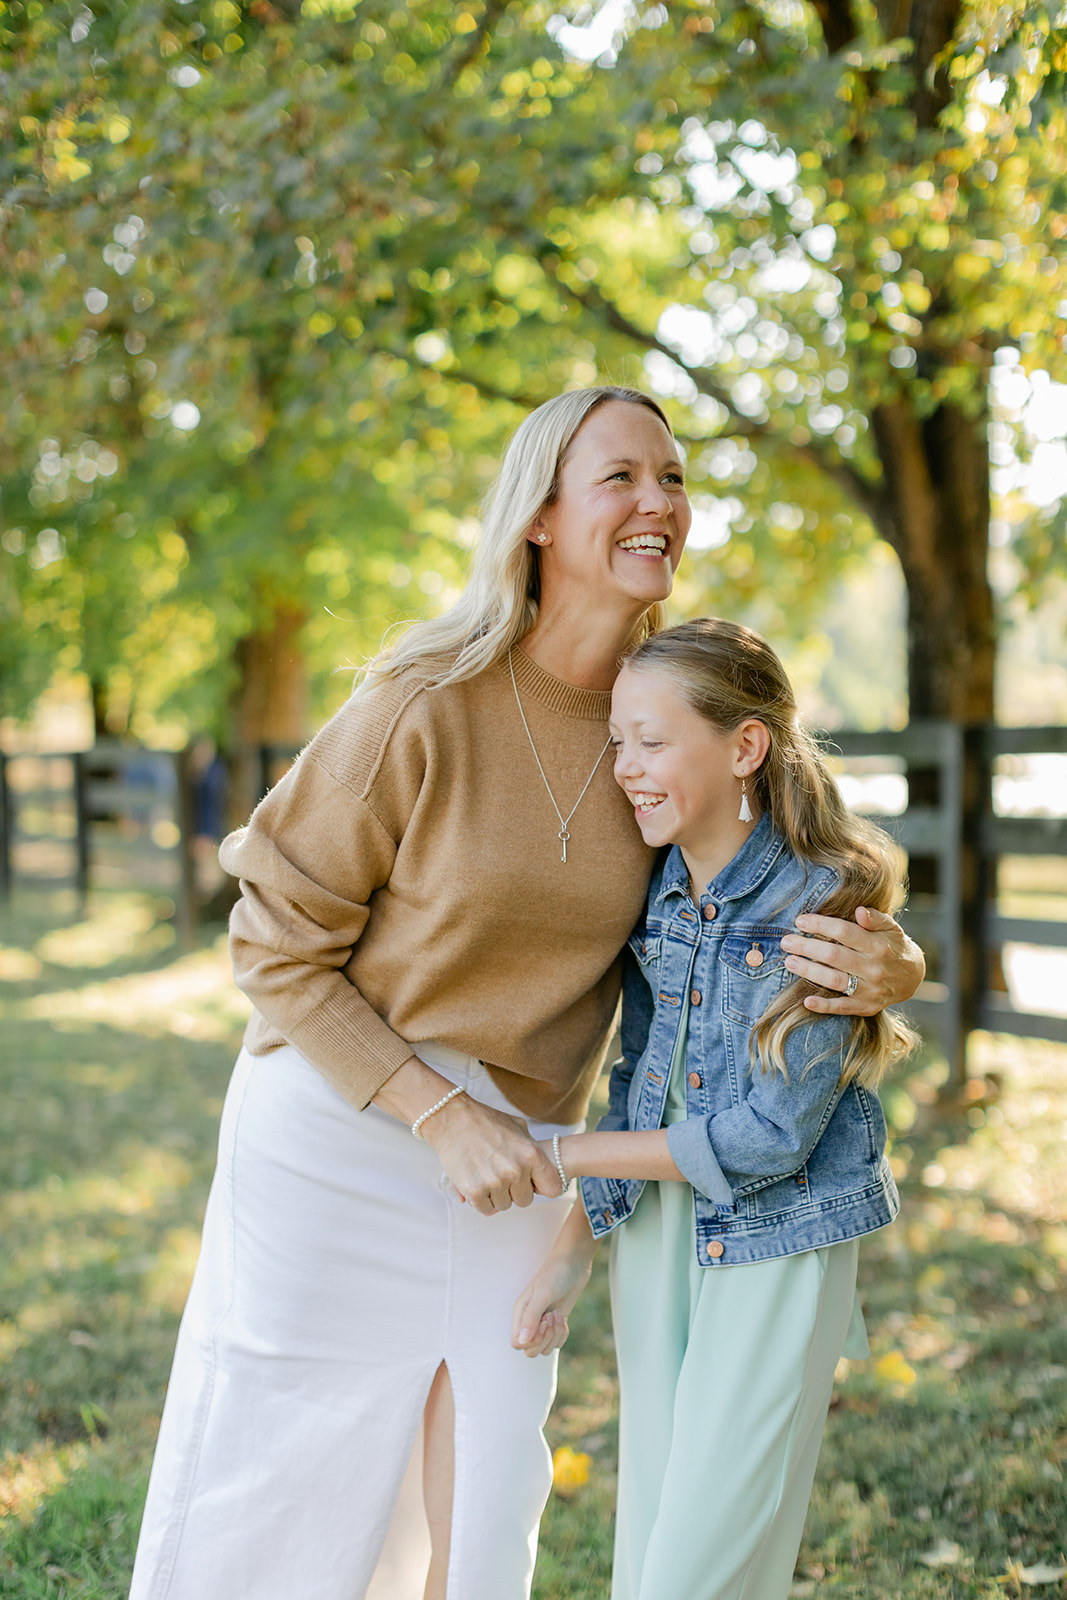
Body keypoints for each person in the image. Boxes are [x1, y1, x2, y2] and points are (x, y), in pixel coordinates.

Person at [128, 389, 924, 1600]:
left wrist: (895, 966)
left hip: (525, 1158)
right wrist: (434, 1113)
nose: (658, 500)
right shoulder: (422, 701)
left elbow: (786, 878)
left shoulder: (667, 720)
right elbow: (271, 937)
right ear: (540, 516)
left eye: (671, 475)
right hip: (345, 1136)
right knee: (281, 1499)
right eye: (620, 477)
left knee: (486, 1511)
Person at [512, 616, 919, 1600]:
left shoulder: (821, 911)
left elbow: (769, 1139)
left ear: (743, 747)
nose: (624, 768)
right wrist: (576, 1239)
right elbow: (638, 1070)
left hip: (774, 1244)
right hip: (658, 1232)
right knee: (651, 1531)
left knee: (699, 1568)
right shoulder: (654, 888)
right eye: (617, 742)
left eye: (650, 741)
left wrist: (564, 1153)